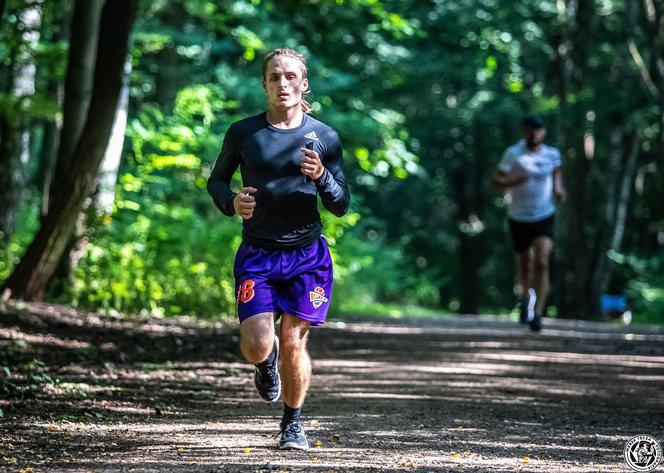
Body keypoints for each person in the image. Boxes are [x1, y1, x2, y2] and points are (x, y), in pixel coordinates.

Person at [206, 48, 350, 450]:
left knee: (293, 341)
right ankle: (264, 365)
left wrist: (321, 176)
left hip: (307, 255)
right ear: (264, 84)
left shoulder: (324, 137)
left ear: (303, 84)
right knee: (257, 344)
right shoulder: (244, 133)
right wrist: (232, 202)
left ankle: (293, 423)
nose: (283, 83)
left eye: (291, 77)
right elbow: (216, 181)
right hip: (258, 253)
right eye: (275, 77)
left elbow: (340, 203)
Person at [491, 115, 566, 331]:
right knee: (524, 264)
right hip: (518, 216)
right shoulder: (513, 153)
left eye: (538, 129)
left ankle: (538, 313)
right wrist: (513, 182)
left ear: (544, 132)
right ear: (524, 131)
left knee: (542, 261)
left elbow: (557, 181)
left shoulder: (552, 155)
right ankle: (525, 299)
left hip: (544, 215)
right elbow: (495, 182)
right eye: (530, 129)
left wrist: (559, 191)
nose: (534, 133)